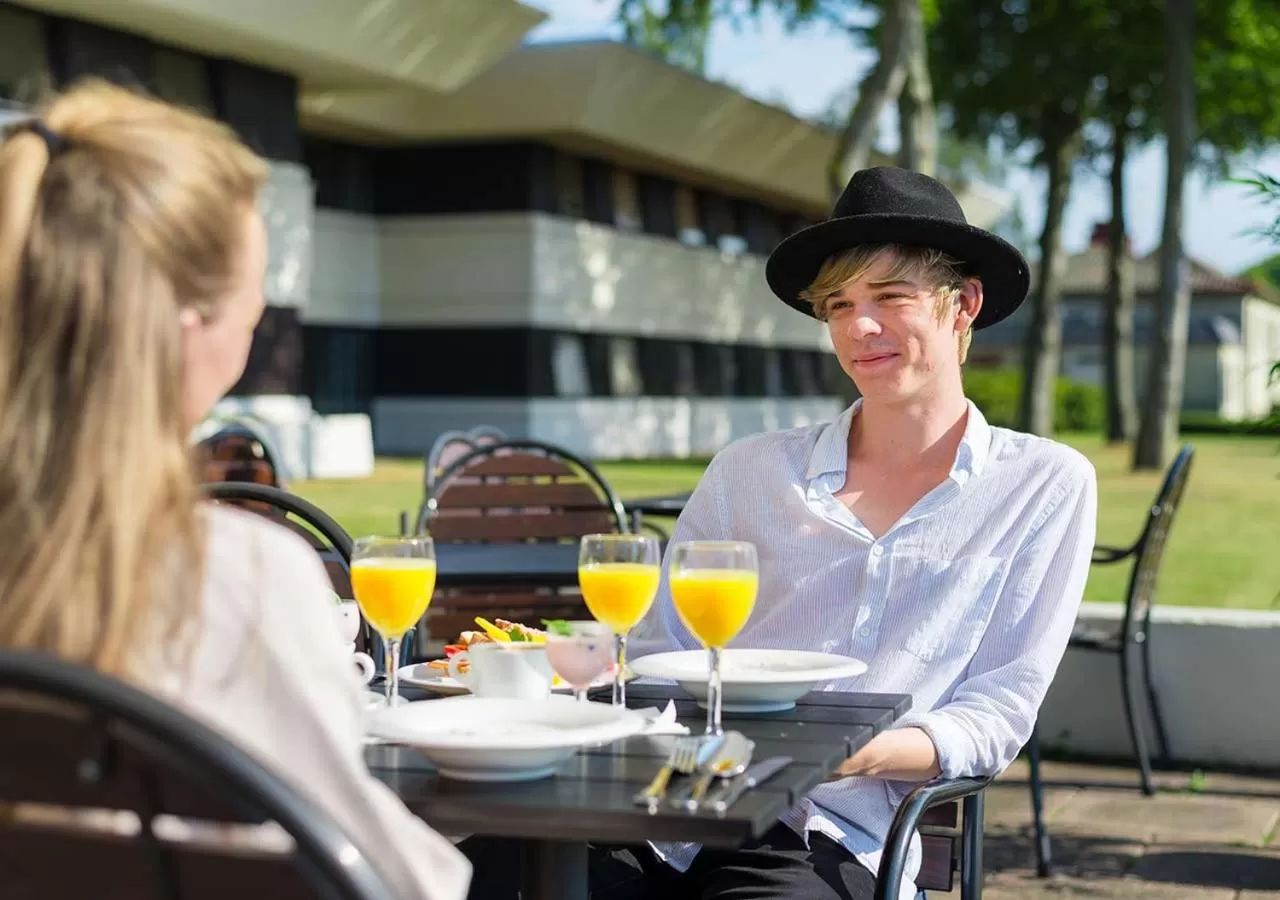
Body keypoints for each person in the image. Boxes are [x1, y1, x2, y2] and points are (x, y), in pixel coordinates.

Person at [0, 80, 470, 900]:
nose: (260, 310)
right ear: (191, 324)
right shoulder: (237, 575)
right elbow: (383, 879)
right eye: (254, 289)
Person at [602, 166, 1098, 900]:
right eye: (839, 305)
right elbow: (658, 652)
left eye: (890, 297)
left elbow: (997, 711)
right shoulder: (748, 471)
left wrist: (848, 755)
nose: (859, 328)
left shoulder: (1041, 484)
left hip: (833, 836)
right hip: (671, 801)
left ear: (963, 304)